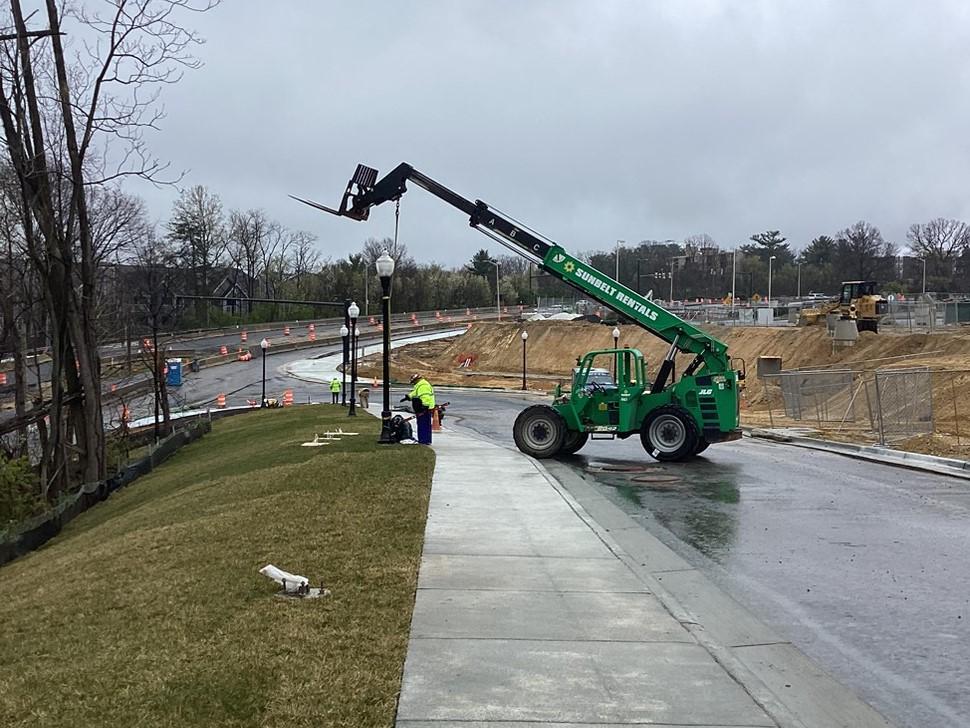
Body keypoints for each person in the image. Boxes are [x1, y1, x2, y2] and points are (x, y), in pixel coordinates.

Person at [402, 373, 435, 445]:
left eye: (413, 381)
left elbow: (425, 396)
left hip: (424, 409)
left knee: (423, 425)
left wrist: (425, 406)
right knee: (424, 424)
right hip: (424, 408)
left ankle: (423, 440)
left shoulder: (423, 386)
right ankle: (426, 440)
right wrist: (408, 396)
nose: (413, 383)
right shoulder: (420, 385)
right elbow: (416, 393)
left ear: (416, 380)